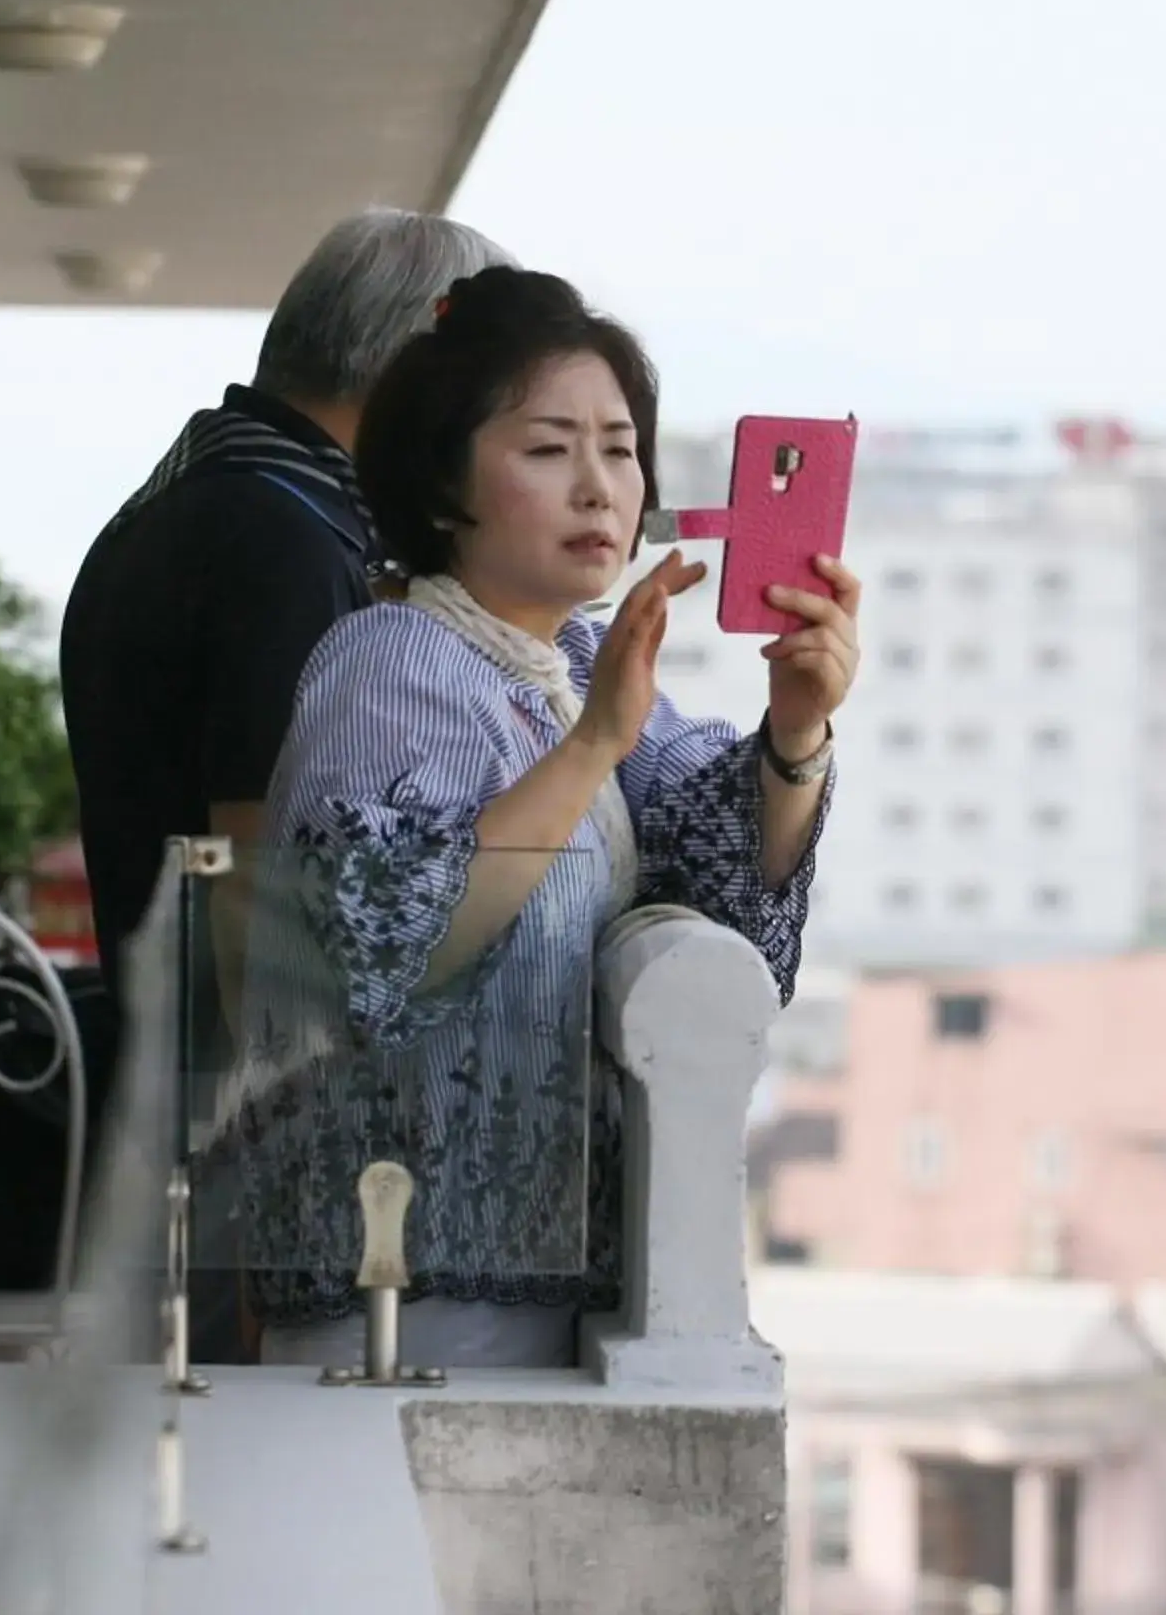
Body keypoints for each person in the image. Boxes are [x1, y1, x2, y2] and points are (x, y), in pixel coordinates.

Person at [223, 266, 862, 1369]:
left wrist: (796, 731)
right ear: (438, 487)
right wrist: (589, 749)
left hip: (544, 1286)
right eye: (547, 447)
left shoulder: (571, 662)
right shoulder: (390, 661)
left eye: (618, 448)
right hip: (398, 1295)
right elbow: (382, 945)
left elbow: (722, 862)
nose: (599, 487)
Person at [59, 206, 512, 1047]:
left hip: (173, 1044)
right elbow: (255, 865)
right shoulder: (283, 538)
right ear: (417, 373)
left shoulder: (210, 492)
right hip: (239, 1082)